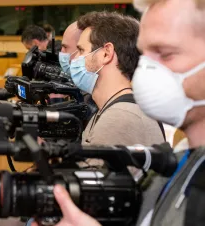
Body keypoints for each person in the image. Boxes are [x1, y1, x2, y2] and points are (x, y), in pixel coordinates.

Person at [33, 1, 205, 225]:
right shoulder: (184, 157)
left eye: (165, 53)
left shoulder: (123, 116)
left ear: (107, 53)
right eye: (145, 54)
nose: (147, 68)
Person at [62, 11, 164, 147]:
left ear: (106, 53)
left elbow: (91, 168)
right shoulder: (111, 109)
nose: (73, 59)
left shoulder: (120, 117)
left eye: (81, 50)